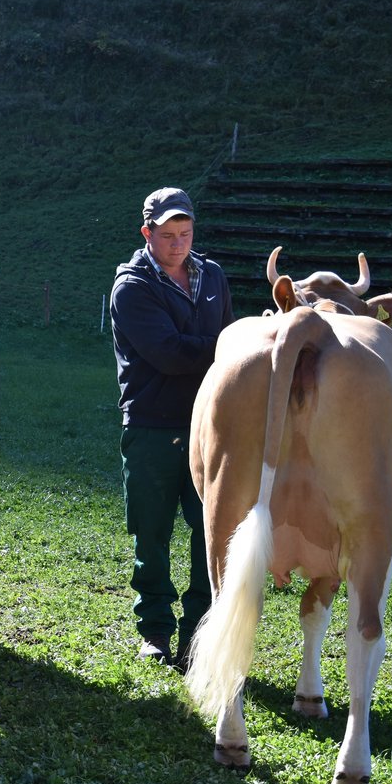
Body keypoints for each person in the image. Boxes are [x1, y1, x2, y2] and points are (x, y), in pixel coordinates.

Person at [110, 187, 233, 668]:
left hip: (212, 424)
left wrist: (217, 344)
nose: (177, 244)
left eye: (185, 234)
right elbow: (169, 353)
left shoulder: (214, 276)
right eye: (167, 235)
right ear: (147, 233)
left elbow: (221, 339)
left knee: (211, 531)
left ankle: (200, 634)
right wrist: (220, 346)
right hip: (152, 426)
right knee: (152, 535)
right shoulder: (132, 286)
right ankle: (156, 632)